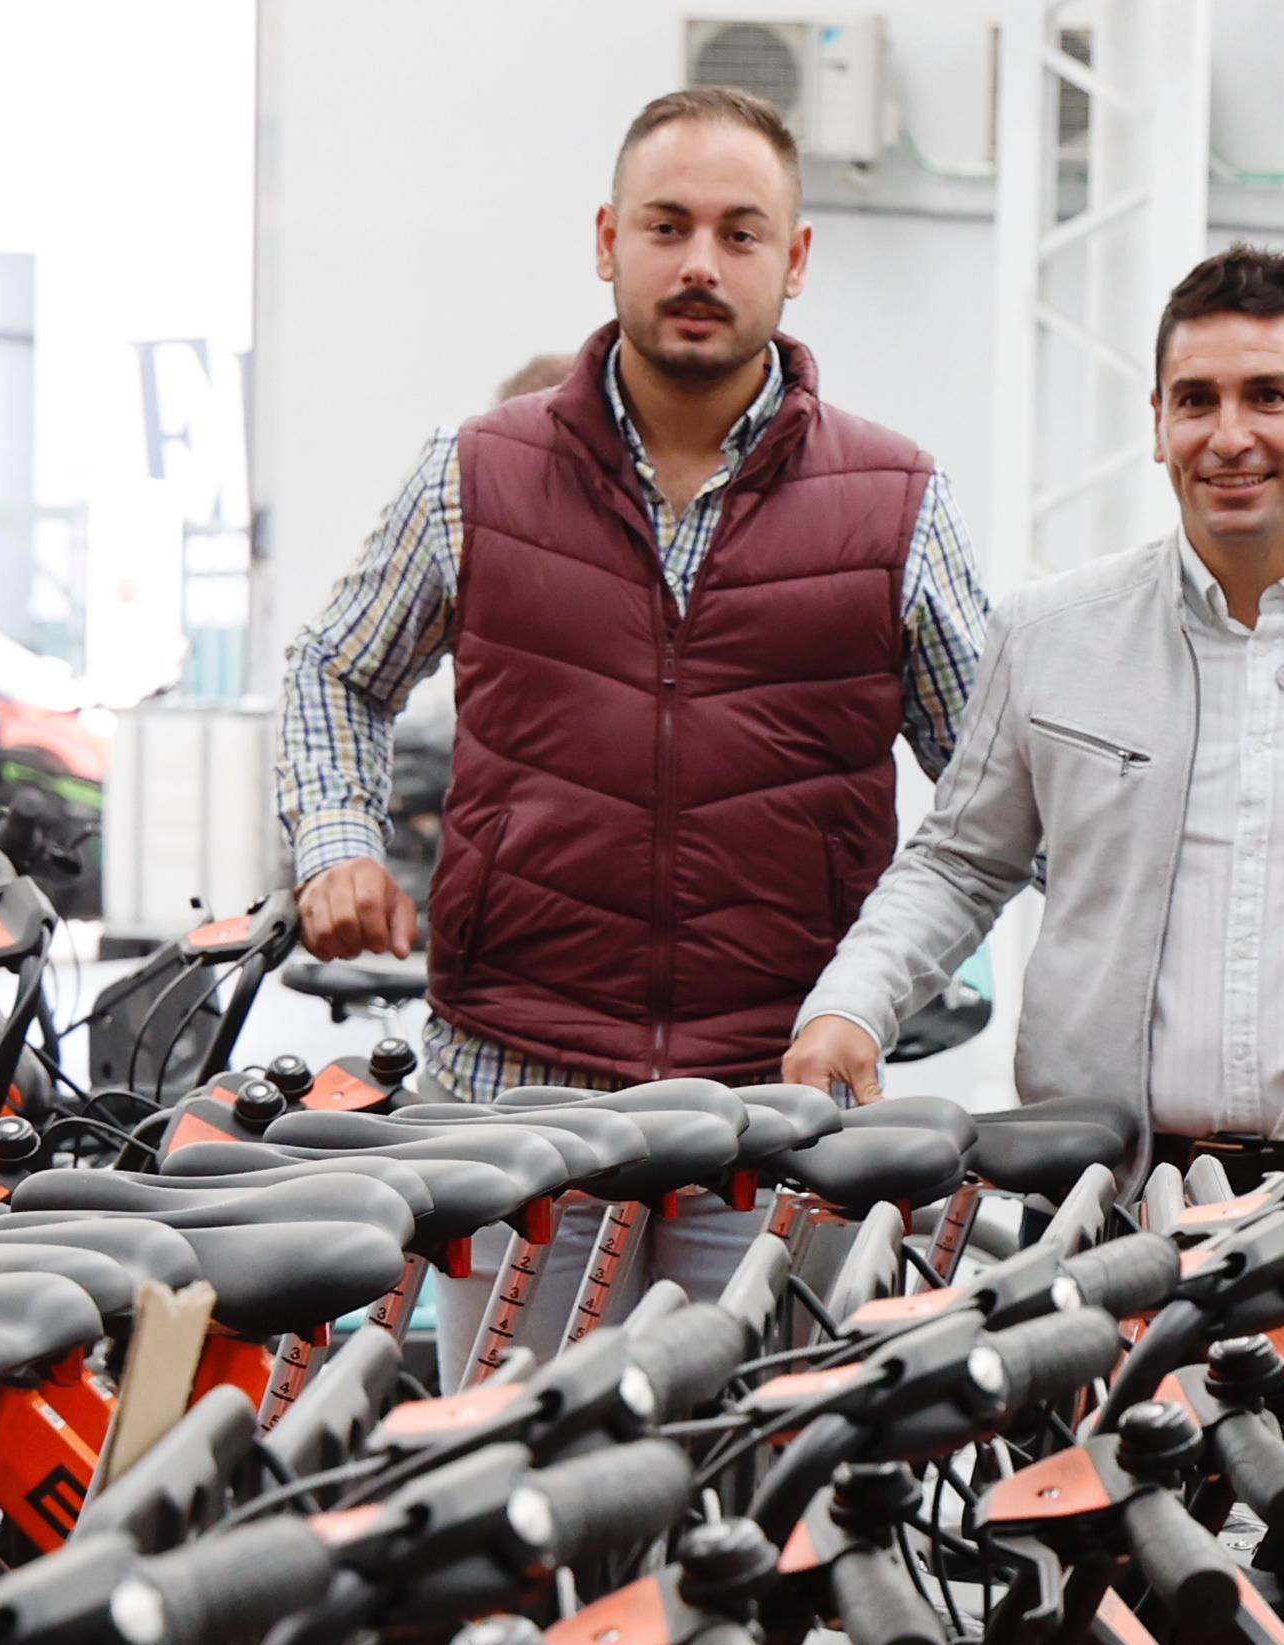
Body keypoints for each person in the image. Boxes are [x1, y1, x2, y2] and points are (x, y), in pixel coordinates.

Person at [271, 82, 990, 1343]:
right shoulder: (475, 474)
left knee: (749, 1465)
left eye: (739, 232)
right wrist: (336, 844)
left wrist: (871, 992)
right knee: (503, 1457)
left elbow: (994, 791)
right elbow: (336, 670)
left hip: (774, 1105)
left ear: (794, 261)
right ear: (607, 243)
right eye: (666, 226)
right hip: (514, 1103)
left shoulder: (895, 504)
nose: (700, 263)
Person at [786, 249, 1284, 1156]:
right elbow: (961, 863)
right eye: (1197, 400)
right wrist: (851, 1005)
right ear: (1158, 423)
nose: (1229, 437)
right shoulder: (1048, 635)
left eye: (1269, 397)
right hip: (1101, 1194)